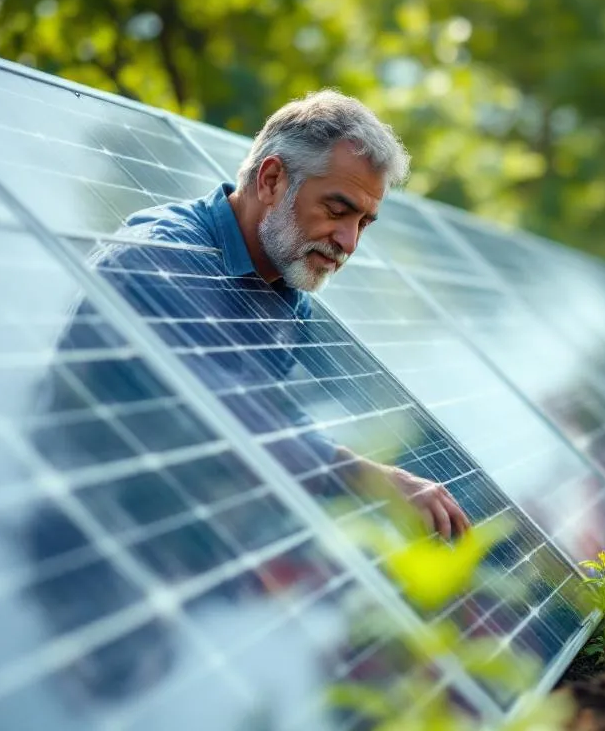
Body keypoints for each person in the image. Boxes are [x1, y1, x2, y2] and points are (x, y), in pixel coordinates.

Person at [38, 88, 470, 542]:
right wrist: (370, 478)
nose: (349, 242)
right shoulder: (162, 257)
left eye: (363, 222)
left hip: (157, 535)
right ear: (271, 181)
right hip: (70, 528)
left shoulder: (284, 289)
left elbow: (273, 414)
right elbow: (225, 414)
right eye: (337, 210)